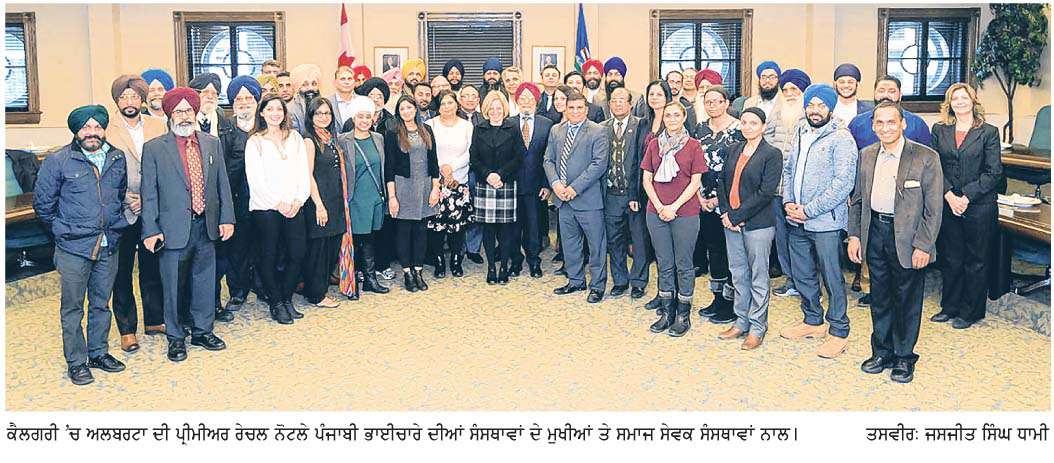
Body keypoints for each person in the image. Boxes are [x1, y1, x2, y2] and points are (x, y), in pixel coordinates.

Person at [848, 101, 943, 383]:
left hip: (909, 238)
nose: (885, 128)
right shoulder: (866, 155)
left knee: (906, 299)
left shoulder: (925, 157)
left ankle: (904, 357)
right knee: (880, 297)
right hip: (875, 232)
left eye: (891, 122)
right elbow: (857, 200)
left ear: (903, 123)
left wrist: (924, 245)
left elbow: (934, 209)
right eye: (879, 122)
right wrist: (855, 236)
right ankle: (882, 352)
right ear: (873, 126)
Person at [34, 105, 130, 385]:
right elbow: (43, 205)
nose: (92, 132)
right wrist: (61, 232)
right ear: (76, 131)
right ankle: (76, 362)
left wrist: (117, 223)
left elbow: (119, 194)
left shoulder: (117, 157)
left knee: (101, 304)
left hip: (108, 244)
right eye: (86, 127)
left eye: (97, 127)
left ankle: (98, 353)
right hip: (73, 248)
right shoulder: (58, 160)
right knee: (73, 308)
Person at [141, 88, 234, 362]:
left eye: (188, 110)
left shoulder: (211, 143)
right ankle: (175, 337)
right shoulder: (154, 148)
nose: (184, 116)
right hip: (171, 229)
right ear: (170, 115)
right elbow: (149, 193)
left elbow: (222, 184)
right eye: (178, 111)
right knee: (172, 285)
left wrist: (227, 218)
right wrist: (150, 229)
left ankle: (203, 331)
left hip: (206, 225)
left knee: (205, 281)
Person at [778, 83, 858, 359]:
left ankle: (839, 331)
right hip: (795, 218)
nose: (815, 110)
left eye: (821, 105)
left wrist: (809, 210)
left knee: (832, 278)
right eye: (811, 105)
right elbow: (789, 169)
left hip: (826, 222)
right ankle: (813, 321)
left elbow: (843, 183)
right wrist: (788, 201)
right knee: (802, 274)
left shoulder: (842, 138)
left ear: (830, 108)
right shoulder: (801, 130)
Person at [847, 75, 932, 307]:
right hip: (873, 214)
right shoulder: (859, 125)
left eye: (891, 90)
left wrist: (924, 243)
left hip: (907, 217)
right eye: (881, 90)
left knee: (905, 288)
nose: (886, 94)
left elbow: (930, 184)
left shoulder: (917, 125)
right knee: (878, 285)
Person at [929, 83, 1002, 329]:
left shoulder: (989, 132)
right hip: (948, 202)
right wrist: (949, 195)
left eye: (964, 97)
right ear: (949, 104)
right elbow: (934, 166)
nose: (960, 102)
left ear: (973, 101)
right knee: (951, 258)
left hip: (979, 205)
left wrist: (966, 197)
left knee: (976, 259)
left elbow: (994, 172)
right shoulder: (939, 130)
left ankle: (971, 312)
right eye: (955, 98)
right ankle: (949, 307)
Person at [106, 75, 167, 352]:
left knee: (152, 266)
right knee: (121, 272)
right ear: (117, 101)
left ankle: (154, 319)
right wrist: (125, 198)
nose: (129, 102)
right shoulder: (107, 128)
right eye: (124, 97)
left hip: (152, 206)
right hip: (122, 209)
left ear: (142, 99)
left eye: (134, 96)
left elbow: (166, 164)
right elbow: (102, 171)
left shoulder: (158, 125)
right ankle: (127, 329)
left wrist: (148, 198)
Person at [716, 107, 783, 350]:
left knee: (758, 276)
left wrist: (737, 216)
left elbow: (766, 192)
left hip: (758, 224)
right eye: (744, 122)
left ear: (763, 126)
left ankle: (757, 327)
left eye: (753, 123)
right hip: (731, 223)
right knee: (738, 274)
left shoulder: (772, 154)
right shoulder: (733, 149)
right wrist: (726, 213)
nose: (747, 127)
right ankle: (741, 321)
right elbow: (722, 181)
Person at [243, 94, 311, 325]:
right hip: (266, 208)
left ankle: (286, 296)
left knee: (297, 253)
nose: (275, 113)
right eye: (270, 109)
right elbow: (256, 180)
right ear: (262, 113)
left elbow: (304, 173)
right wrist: (278, 203)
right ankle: (276, 302)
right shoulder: (255, 142)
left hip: (295, 205)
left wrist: (299, 200)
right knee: (268, 256)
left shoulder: (295, 138)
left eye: (279, 109)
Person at [640, 101, 705, 337]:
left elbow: (695, 182)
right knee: (664, 263)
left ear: (684, 117)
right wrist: (660, 206)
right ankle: (667, 312)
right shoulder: (654, 144)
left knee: (684, 265)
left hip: (685, 212)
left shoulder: (694, 146)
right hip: (656, 212)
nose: (672, 119)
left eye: (677, 115)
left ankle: (682, 315)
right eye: (668, 115)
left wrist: (673, 207)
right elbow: (646, 179)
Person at [543, 91, 610, 303]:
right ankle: (575, 280)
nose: (575, 111)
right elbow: (548, 160)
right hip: (562, 198)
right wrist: (555, 184)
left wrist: (575, 188)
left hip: (588, 199)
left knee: (596, 245)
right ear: (565, 109)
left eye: (579, 107)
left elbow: (599, 164)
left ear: (586, 109)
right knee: (570, 243)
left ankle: (597, 286)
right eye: (571, 107)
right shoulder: (556, 130)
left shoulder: (598, 131)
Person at [693, 86, 744, 325]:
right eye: (708, 102)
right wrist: (700, 197)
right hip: (703, 200)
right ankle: (717, 298)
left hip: (728, 201)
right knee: (713, 249)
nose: (712, 106)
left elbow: (739, 169)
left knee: (731, 251)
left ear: (726, 103)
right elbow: (694, 164)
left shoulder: (738, 129)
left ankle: (732, 303)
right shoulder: (700, 128)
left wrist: (718, 199)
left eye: (717, 101)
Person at [385, 95, 442, 292]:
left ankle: (418, 271)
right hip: (403, 186)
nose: (406, 111)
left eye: (409, 107)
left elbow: (434, 161)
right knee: (404, 231)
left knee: (420, 230)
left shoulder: (427, 130)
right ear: (398, 113)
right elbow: (389, 167)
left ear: (415, 109)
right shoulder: (393, 133)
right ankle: (407, 272)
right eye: (402, 109)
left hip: (424, 185)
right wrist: (392, 197)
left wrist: (435, 188)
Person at [338, 96, 391, 296]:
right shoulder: (343, 140)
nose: (364, 120)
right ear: (353, 118)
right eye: (360, 117)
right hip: (355, 198)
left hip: (375, 197)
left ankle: (370, 279)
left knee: (370, 238)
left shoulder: (378, 138)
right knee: (355, 239)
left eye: (368, 117)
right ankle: (353, 281)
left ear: (373, 118)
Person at [471, 91, 525, 284]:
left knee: (505, 228)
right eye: (491, 108)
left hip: (506, 182)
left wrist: (500, 175)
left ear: (504, 109)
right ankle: (491, 268)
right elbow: (474, 157)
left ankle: (503, 267)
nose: (495, 111)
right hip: (485, 183)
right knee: (489, 229)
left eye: (499, 108)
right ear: (486, 110)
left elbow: (519, 156)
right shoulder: (479, 129)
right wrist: (488, 175)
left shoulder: (513, 128)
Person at [217, 76, 260, 314]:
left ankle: (262, 286)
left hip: (263, 199)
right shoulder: (225, 128)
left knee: (264, 245)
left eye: (249, 98)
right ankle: (238, 291)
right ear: (232, 103)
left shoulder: (265, 126)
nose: (244, 102)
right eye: (239, 99)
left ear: (257, 101)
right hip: (235, 199)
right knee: (237, 248)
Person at [602, 86, 649, 299]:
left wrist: (636, 193)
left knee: (639, 240)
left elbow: (642, 161)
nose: (618, 103)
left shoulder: (641, 126)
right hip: (611, 194)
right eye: (614, 100)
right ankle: (620, 280)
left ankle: (638, 281)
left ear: (630, 104)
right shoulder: (602, 128)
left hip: (634, 194)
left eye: (622, 99)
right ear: (609, 104)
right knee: (615, 240)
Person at [302, 96, 349, 307]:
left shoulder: (330, 137)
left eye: (327, 113)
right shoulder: (309, 140)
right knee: (319, 251)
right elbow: (308, 175)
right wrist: (319, 205)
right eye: (318, 113)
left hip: (335, 200)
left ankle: (318, 286)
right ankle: (316, 294)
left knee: (332, 245)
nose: (323, 117)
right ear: (311, 116)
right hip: (319, 202)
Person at [769, 69, 812, 298]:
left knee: (802, 240)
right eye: (785, 90)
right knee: (782, 236)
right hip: (777, 188)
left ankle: (809, 283)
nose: (789, 94)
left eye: (794, 89)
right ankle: (790, 280)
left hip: (801, 192)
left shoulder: (812, 118)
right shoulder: (777, 115)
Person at [426, 90, 475, 278]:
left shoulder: (467, 126)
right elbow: (428, 151)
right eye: (443, 103)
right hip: (436, 182)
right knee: (437, 225)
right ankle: (439, 261)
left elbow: (470, 152)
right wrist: (442, 169)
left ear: (457, 104)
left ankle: (456, 259)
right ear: (438, 107)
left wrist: (451, 168)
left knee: (457, 225)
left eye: (450, 102)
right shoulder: (430, 125)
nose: (447, 107)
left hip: (459, 181)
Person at [508, 82, 554, 279]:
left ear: (537, 101)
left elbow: (550, 157)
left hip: (537, 185)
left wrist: (547, 184)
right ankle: (515, 261)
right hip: (512, 185)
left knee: (534, 227)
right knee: (513, 227)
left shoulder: (547, 124)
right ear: (517, 101)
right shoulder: (508, 123)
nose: (526, 102)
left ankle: (534, 261)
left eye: (530, 98)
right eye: (522, 98)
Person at [289, 64, 323, 135]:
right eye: (305, 85)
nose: (310, 88)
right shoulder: (290, 110)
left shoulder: (325, 105)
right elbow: (293, 137)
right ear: (297, 88)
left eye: (314, 84)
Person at [189, 72, 223, 137]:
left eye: (214, 93)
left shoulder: (224, 123)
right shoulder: (185, 120)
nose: (210, 97)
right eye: (205, 92)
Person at [330, 66, 358, 131]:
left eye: (350, 79)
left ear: (354, 82)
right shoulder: (327, 102)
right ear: (335, 83)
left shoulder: (362, 101)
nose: (346, 82)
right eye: (343, 79)